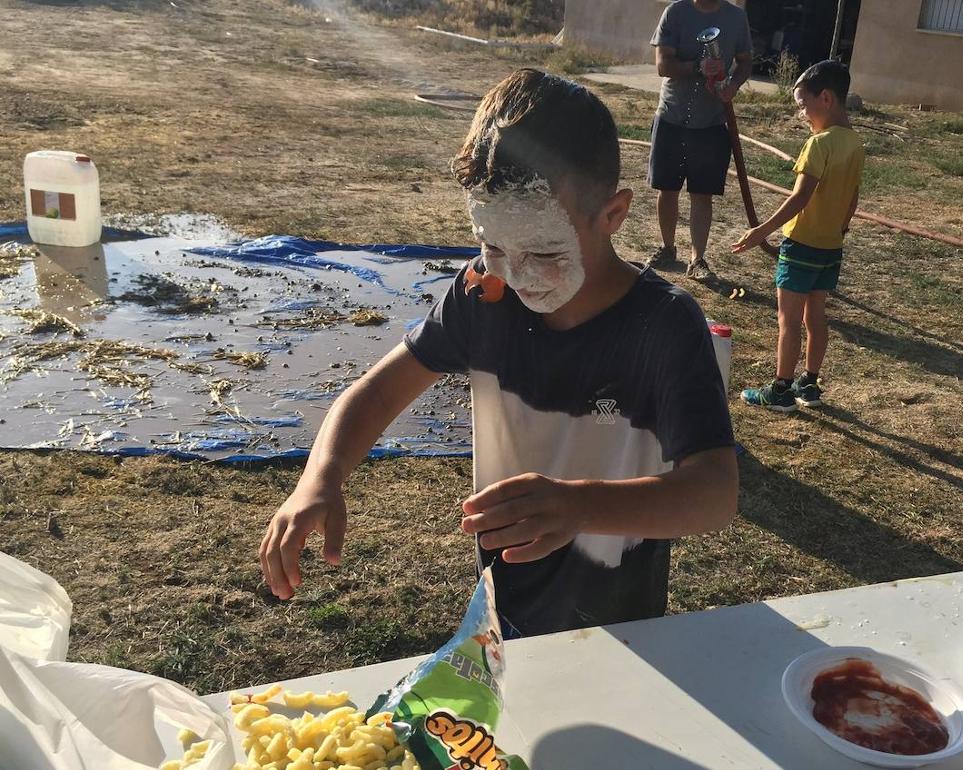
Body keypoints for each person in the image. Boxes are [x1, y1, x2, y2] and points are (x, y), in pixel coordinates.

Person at [258, 69, 739, 637]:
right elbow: (380, 389)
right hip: (501, 610)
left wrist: (580, 507)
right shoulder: (481, 296)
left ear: (612, 215)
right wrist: (322, 477)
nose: (514, 274)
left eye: (542, 251)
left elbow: (714, 493)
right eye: (491, 245)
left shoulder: (663, 324)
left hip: (621, 623)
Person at [731, 60, 863, 413]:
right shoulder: (855, 144)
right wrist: (841, 229)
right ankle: (810, 384)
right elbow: (852, 198)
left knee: (788, 321)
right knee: (815, 317)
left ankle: (780, 390)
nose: (802, 113)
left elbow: (800, 197)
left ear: (826, 99)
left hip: (801, 244)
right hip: (831, 247)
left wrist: (761, 231)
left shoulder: (819, 145)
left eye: (803, 104)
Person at [647, 0, 753, 279]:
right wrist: (698, 67)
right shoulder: (675, 12)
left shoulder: (735, 17)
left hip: (712, 120)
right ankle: (668, 248)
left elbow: (745, 62)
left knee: (702, 193)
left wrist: (732, 85)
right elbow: (663, 65)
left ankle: (698, 260)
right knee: (667, 188)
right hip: (672, 115)